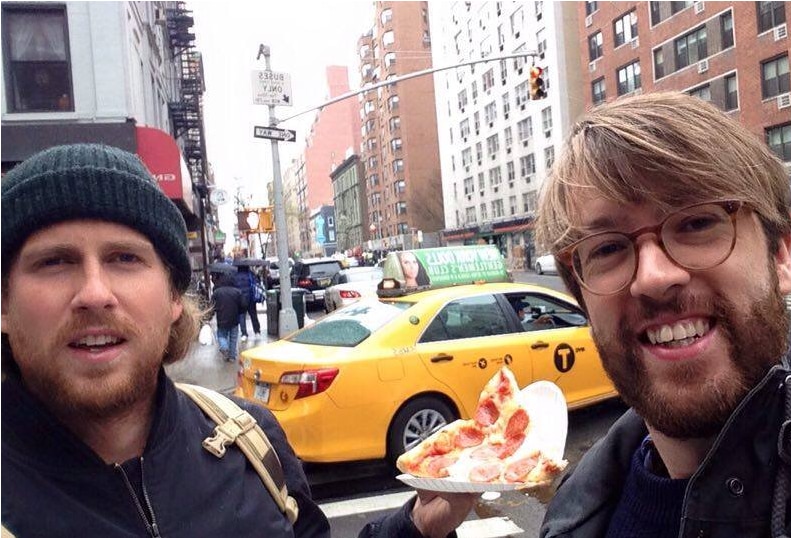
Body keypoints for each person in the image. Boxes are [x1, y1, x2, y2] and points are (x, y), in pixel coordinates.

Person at [1, 143, 475, 537]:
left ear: (172, 297)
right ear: (5, 305)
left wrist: (415, 528)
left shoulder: (250, 440)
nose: (95, 294)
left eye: (124, 259)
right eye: (54, 262)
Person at [529, 92, 791, 537]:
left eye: (697, 222)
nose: (654, 277)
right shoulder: (573, 511)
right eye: (607, 248)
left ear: (779, 254)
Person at [211, 272, 245, 361]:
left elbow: (212, 306)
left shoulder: (217, 292)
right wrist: (240, 312)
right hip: (234, 318)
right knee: (233, 338)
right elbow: (243, 305)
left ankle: (224, 347)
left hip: (221, 318)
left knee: (221, 335)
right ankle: (232, 357)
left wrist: (211, 314)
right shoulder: (237, 292)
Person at [233, 264, 262, 340]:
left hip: (240, 299)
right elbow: (256, 284)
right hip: (251, 299)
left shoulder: (236, 276)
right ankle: (257, 331)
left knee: (242, 317)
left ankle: (244, 334)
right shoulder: (250, 274)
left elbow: (234, 286)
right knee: (253, 315)